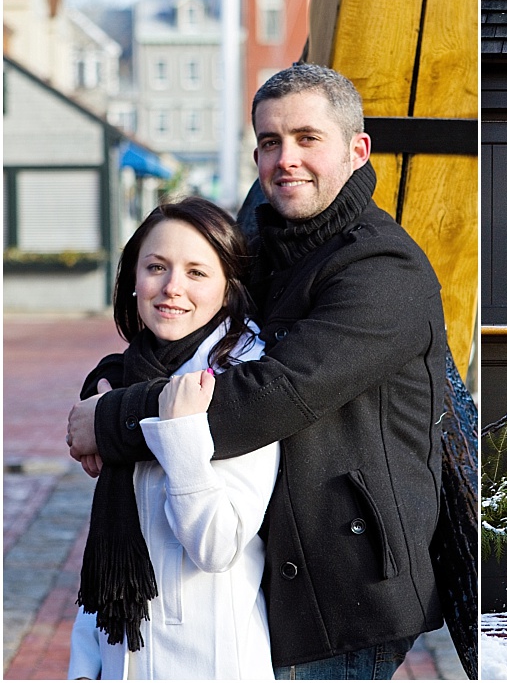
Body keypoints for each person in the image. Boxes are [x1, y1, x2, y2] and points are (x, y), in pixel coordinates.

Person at [67, 64, 447, 680]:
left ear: (358, 150)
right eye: (270, 142)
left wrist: (107, 421)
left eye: (306, 138)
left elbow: (271, 394)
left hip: (342, 587)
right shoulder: (264, 244)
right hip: (272, 576)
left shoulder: (384, 270)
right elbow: (187, 339)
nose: (286, 158)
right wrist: (109, 380)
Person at [67, 198, 277, 679]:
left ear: (228, 289)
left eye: (196, 272)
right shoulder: (124, 381)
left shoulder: (242, 385)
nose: (171, 288)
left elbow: (217, 546)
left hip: (209, 663)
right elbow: (107, 554)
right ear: (133, 279)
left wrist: (180, 433)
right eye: (156, 267)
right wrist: (86, 666)